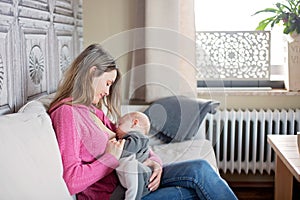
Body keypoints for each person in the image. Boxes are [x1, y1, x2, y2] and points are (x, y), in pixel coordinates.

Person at [48, 43, 238, 200]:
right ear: (92, 73)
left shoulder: (92, 110)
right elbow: (71, 181)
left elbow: (134, 141)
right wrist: (110, 159)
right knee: (196, 193)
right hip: (119, 194)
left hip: (136, 177)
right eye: (107, 83)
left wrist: (155, 163)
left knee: (200, 169)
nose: (107, 92)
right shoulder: (66, 114)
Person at [115, 111, 152, 200]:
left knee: (132, 165)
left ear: (134, 123)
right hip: (127, 178)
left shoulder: (138, 137)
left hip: (140, 177)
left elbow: (125, 152)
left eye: (120, 124)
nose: (116, 128)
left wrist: (114, 146)